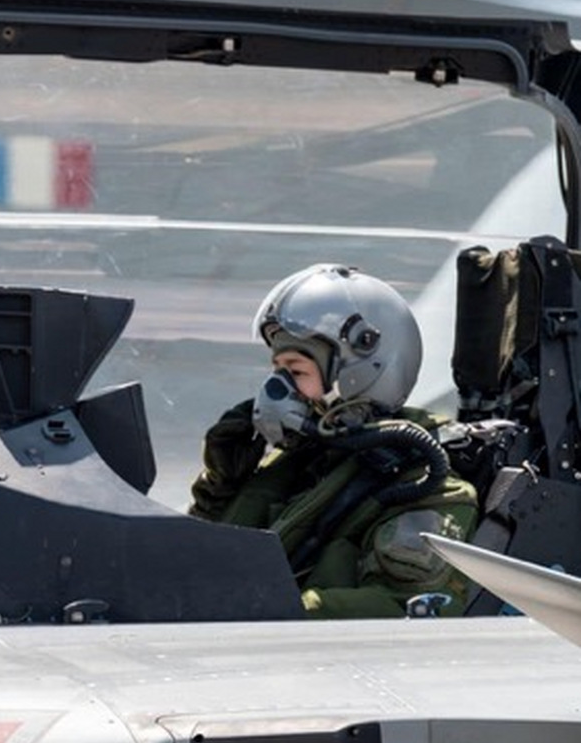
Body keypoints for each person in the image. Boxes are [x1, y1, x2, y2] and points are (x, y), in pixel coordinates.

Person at [189, 264, 479, 618]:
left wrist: (276, 609)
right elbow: (204, 565)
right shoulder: (300, 463)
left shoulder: (425, 485)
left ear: (355, 376)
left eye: (296, 371)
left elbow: (403, 608)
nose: (277, 389)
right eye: (277, 369)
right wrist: (222, 486)